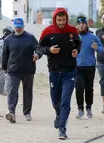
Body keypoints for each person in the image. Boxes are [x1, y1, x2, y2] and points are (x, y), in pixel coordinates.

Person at [37, 8, 81, 140]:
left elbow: (79, 44)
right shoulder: (47, 31)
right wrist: (49, 50)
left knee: (65, 100)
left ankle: (62, 129)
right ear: (55, 19)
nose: (61, 22)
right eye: (59, 20)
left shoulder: (73, 30)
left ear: (66, 19)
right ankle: (58, 114)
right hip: (54, 72)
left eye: (63, 20)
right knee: (56, 100)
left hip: (70, 72)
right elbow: (39, 47)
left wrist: (77, 51)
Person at [2, 18, 42, 123]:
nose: (18, 29)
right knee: (12, 92)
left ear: (23, 27)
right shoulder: (8, 39)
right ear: (14, 27)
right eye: (16, 27)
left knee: (27, 92)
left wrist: (37, 55)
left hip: (28, 69)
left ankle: (27, 113)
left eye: (20, 27)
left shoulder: (30, 38)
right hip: (13, 70)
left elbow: (39, 48)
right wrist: (5, 68)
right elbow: (5, 55)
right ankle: (11, 113)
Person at [75, 16, 104, 119]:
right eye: (79, 24)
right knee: (79, 87)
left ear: (86, 24)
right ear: (77, 25)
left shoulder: (92, 37)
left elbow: (102, 49)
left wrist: (97, 48)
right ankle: (80, 109)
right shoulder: (75, 37)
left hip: (90, 67)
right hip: (77, 67)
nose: (81, 25)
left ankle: (88, 108)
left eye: (83, 23)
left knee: (88, 88)